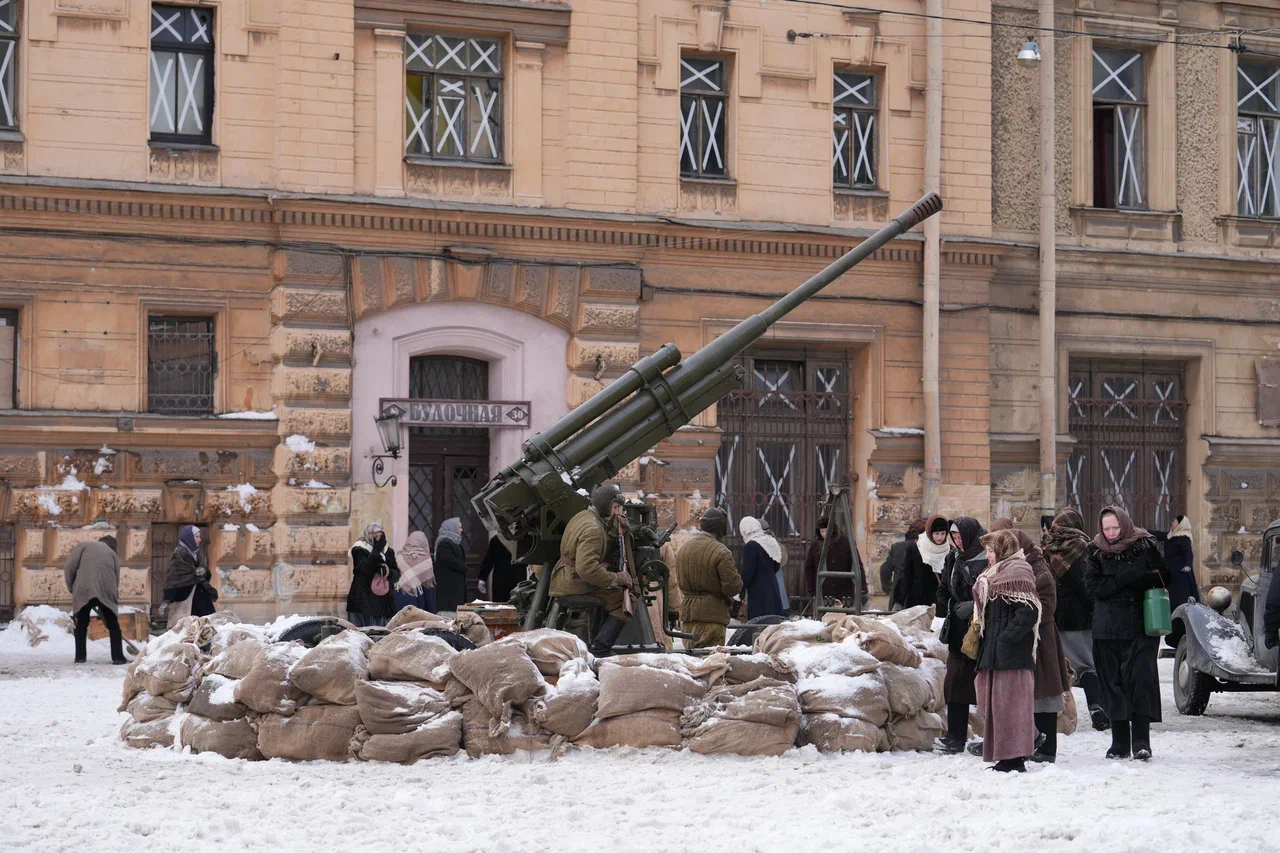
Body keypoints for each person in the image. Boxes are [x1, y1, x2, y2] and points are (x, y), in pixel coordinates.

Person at [1085, 505, 1170, 761]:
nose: (1111, 533)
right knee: (1113, 684)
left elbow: (1164, 578)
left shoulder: (1144, 545)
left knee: (1140, 681)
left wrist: (1127, 582)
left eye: (1115, 527)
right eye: (1106, 528)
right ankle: (1119, 743)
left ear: (1124, 523)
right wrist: (1129, 577)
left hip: (1140, 626)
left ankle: (1142, 742)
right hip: (1107, 628)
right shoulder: (1095, 551)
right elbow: (1093, 587)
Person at [990, 518, 1072, 763]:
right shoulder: (1008, 568)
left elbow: (1046, 606)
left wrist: (1020, 618)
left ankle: (1047, 750)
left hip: (1041, 640)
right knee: (1027, 695)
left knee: (1044, 696)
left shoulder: (1039, 569)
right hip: (1024, 640)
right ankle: (1028, 745)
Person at [973, 529, 1042, 773]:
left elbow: (1029, 611)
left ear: (1004, 550)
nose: (988, 556)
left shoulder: (1018, 571)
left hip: (1012, 654)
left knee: (1011, 706)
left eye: (991, 551)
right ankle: (1009, 753)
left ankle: (1014, 758)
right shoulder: (996, 572)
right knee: (998, 705)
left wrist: (1005, 639)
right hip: (996, 652)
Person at [1043, 508, 1110, 731]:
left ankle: (1055, 715)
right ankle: (1097, 708)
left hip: (1055, 618)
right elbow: (1086, 585)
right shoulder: (1083, 547)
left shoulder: (1047, 547)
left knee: (1059, 669)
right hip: (1080, 618)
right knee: (1087, 667)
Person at [549, 484, 636, 656]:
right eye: (615, 508)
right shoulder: (593, 529)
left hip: (566, 578)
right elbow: (587, 569)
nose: (617, 513)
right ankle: (600, 649)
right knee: (626, 600)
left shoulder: (584, 516)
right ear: (605, 505)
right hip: (574, 584)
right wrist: (617, 578)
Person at [933, 515, 988, 754]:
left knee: (987, 684)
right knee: (955, 681)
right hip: (958, 629)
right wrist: (944, 605)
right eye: (953, 536)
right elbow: (945, 586)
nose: (957, 541)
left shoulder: (986, 557)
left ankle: (994, 736)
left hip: (981, 630)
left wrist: (973, 606)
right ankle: (955, 736)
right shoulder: (953, 557)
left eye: (960, 536)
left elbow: (993, 591)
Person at [677, 507, 743, 648]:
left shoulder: (683, 549)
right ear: (721, 528)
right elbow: (732, 587)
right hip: (712, 616)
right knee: (710, 663)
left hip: (688, 614)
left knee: (691, 663)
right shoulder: (721, 551)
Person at [63, 535, 126, 665]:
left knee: (81, 624)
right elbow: (116, 578)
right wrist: (111, 598)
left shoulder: (84, 546)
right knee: (113, 625)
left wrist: (71, 586)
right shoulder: (113, 555)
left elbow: (69, 566)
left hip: (84, 588)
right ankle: (118, 657)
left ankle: (80, 657)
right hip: (106, 588)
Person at [805, 516, 866, 609]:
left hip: (844, 591)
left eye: (826, 531)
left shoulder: (846, 543)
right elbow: (810, 568)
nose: (824, 534)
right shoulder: (816, 545)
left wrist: (862, 589)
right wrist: (812, 590)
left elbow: (856, 565)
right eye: (822, 531)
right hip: (824, 590)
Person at [347, 523, 400, 627]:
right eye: (375, 536)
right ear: (369, 535)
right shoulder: (359, 549)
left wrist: (387, 572)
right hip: (363, 601)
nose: (379, 539)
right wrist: (376, 551)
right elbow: (362, 570)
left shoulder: (388, 551)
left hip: (383, 603)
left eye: (381, 536)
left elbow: (397, 574)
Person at [164, 525, 216, 626]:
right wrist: (167, 599)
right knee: (188, 631)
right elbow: (173, 579)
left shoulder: (198, 554)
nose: (199, 540)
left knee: (208, 629)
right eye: (197, 537)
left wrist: (203, 572)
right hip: (186, 600)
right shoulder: (178, 555)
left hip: (201, 599)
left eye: (199, 537)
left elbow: (207, 574)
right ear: (189, 537)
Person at [895, 516, 949, 609]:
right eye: (936, 533)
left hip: (940, 606)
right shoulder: (915, 549)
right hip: (917, 605)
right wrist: (898, 601)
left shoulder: (950, 550)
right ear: (929, 532)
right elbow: (905, 576)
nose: (940, 537)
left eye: (943, 533)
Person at [739, 516, 786, 620]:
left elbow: (748, 572)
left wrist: (739, 589)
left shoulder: (751, 545)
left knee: (759, 623)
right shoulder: (771, 541)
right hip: (772, 586)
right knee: (773, 620)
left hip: (758, 591)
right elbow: (777, 565)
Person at [882, 518, 928, 610]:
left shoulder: (897, 547)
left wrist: (890, 589)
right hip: (919, 600)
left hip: (898, 601)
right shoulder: (927, 548)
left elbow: (884, 570)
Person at [1162, 515, 1200, 607]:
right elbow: (1158, 534)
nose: (1172, 523)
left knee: (1181, 600)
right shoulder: (1170, 536)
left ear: (1181, 525)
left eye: (1174, 522)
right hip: (1171, 573)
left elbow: (1188, 553)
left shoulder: (1184, 538)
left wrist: (1188, 565)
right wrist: (1143, 531)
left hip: (1181, 574)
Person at [395, 530, 436, 614]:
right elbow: (429, 591)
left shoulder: (398, 557)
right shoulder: (425, 561)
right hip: (418, 606)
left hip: (398, 604)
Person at [434, 518, 468, 614]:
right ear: (452, 528)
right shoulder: (444, 544)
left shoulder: (455, 544)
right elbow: (451, 561)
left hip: (455, 595)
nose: (462, 530)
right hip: (449, 597)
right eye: (459, 527)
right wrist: (464, 567)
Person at [480, 532, 522, 603]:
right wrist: (482, 578)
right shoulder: (521, 539)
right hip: (516, 576)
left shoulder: (496, 539)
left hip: (502, 577)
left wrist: (482, 578)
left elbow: (489, 560)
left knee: (502, 604)